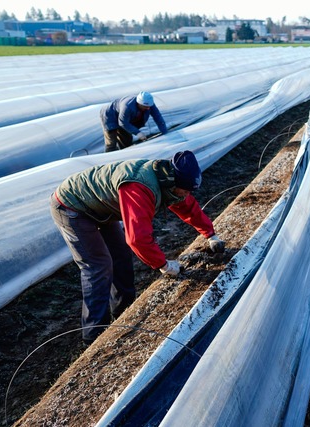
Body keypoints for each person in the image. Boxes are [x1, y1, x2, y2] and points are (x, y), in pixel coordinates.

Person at [50, 150, 226, 344]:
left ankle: (123, 312)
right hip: (71, 206)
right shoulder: (140, 187)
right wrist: (164, 265)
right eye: (184, 190)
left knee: (121, 256)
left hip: (101, 207)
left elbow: (187, 206)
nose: (186, 194)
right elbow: (137, 239)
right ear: (172, 181)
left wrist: (210, 234)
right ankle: (94, 336)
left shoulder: (170, 181)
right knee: (99, 266)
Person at [100, 91, 169, 152]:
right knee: (111, 142)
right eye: (145, 106)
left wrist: (165, 132)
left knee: (126, 141)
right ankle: (108, 160)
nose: (148, 108)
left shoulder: (149, 105)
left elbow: (158, 117)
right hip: (109, 116)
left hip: (123, 118)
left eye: (149, 106)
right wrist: (138, 133)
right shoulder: (127, 106)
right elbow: (123, 122)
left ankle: (125, 156)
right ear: (139, 103)